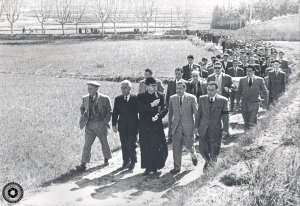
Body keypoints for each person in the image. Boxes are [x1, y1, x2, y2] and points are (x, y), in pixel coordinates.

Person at [77, 81, 113, 171]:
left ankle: (106, 158)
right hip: (89, 124)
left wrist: (105, 122)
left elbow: (110, 111)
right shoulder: (85, 98)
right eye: (88, 88)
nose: (89, 90)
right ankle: (83, 164)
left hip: (101, 124)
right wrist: (84, 116)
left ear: (97, 89)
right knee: (87, 145)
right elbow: (82, 107)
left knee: (104, 142)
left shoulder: (105, 98)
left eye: (91, 88)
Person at [195, 82, 229, 172]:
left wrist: (226, 129)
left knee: (214, 151)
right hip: (203, 128)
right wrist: (196, 127)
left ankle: (210, 170)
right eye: (208, 90)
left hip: (216, 129)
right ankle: (210, 163)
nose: (210, 92)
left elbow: (226, 116)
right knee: (202, 149)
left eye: (212, 90)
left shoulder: (223, 100)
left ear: (217, 90)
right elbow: (199, 114)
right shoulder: (202, 99)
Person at [138, 77, 168, 175]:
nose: (155, 88)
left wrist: (158, 116)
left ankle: (155, 166)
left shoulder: (161, 95)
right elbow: (139, 109)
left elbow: (165, 108)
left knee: (157, 145)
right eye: (152, 86)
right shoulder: (141, 96)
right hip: (145, 125)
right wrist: (151, 105)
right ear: (147, 86)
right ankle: (147, 167)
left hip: (156, 125)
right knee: (146, 146)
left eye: (155, 86)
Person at [168, 81, 198, 174]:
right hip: (176, 128)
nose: (178, 90)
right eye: (177, 88)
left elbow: (196, 114)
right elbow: (170, 115)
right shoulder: (172, 98)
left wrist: (196, 127)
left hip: (188, 127)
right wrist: (170, 129)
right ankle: (177, 167)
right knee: (176, 148)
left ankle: (193, 156)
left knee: (189, 146)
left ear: (185, 88)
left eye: (180, 88)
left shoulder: (192, 98)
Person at [112, 80, 138, 170]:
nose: (123, 90)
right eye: (122, 88)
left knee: (132, 144)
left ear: (130, 88)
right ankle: (126, 161)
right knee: (124, 144)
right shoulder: (118, 99)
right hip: (122, 126)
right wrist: (114, 125)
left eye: (125, 88)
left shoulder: (136, 98)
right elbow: (115, 113)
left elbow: (140, 113)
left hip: (133, 126)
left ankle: (133, 161)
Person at [236, 65, 269, 131]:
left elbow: (265, 91)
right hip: (244, 103)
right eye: (247, 71)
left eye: (250, 71)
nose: (248, 72)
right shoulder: (242, 80)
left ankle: (253, 135)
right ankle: (246, 136)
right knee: (246, 121)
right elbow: (239, 92)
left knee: (252, 119)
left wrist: (266, 103)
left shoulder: (259, 80)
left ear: (254, 71)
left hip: (255, 103)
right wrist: (237, 103)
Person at [166, 68, 187, 143]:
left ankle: (183, 136)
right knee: (171, 119)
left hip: (183, 104)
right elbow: (168, 94)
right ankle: (170, 136)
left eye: (179, 74)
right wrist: (168, 105)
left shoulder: (186, 83)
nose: (177, 76)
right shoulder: (171, 82)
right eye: (176, 74)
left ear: (182, 74)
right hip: (173, 104)